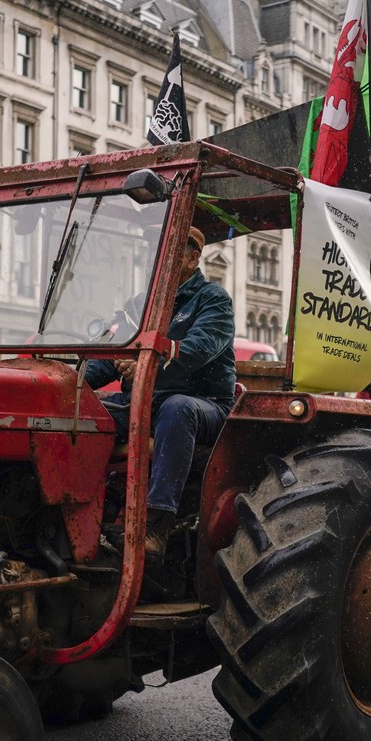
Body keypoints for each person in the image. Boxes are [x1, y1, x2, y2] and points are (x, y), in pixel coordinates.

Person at [84, 226, 234, 554]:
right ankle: (92, 512)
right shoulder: (139, 304)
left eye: (170, 249)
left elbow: (199, 349)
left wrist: (147, 364)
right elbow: (109, 355)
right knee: (83, 412)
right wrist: (72, 381)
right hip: (144, 404)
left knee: (177, 408)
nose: (158, 257)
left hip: (204, 406)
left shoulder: (213, 299)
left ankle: (156, 526)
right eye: (156, 249)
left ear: (193, 259)